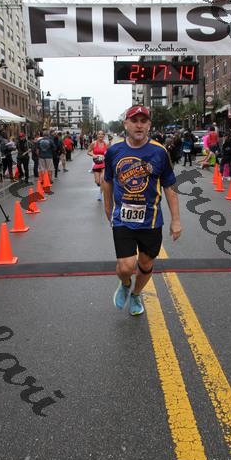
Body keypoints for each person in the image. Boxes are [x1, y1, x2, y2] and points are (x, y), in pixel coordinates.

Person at [103, 105, 182, 316]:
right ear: (126, 124)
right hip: (123, 218)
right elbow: (107, 181)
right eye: (134, 121)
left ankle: (136, 294)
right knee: (126, 267)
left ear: (149, 125)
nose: (139, 125)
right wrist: (108, 208)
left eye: (143, 121)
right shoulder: (114, 151)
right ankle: (126, 283)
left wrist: (176, 220)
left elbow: (169, 186)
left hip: (151, 220)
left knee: (146, 264)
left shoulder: (159, 152)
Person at [88, 130, 108, 201]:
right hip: (96, 164)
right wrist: (93, 155)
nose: (100, 135)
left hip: (104, 163)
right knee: (98, 181)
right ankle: (99, 184)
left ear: (104, 136)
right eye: (99, 134)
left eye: (102, 134)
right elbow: (88, 152)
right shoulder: (94, 143)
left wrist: (105, 156)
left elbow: (109, 153)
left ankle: (100, 194)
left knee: (103, 179)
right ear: (97, 135)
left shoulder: (106, 144)